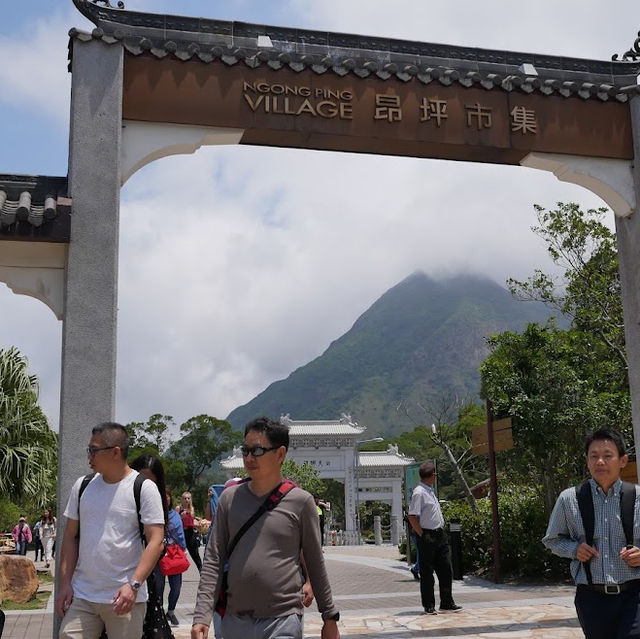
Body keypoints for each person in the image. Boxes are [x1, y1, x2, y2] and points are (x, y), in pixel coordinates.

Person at [191, 416, 340, 639]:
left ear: (280, 454)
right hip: (235, 620)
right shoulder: (229, 499)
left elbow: (315, 562)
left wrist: (329, 616)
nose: (249, 458)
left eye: (257, 451)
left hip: (283, 618)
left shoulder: (301, 502)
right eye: (245, 450)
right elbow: (214, 559)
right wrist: (202, 616)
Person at [55, 422, 165, 639]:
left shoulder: (143, 487)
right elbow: (69, 537)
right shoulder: (83, 485)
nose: (89, 455)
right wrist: (65, 583)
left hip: (124, 597)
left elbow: (156, 541)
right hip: (83, 594)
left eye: (94, 450)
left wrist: (133, 585)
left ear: (115, 452)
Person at [543, 428, 640, 639]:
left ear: (623, 460)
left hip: (635, 595)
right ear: (587, 461)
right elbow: (552, 540)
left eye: (607, 456)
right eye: (594, 456)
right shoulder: (569, 499)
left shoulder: (638, 497)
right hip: (591, 598)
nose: (600, 462)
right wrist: (574, 549)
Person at [130, 453, 185, 627]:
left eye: (151, 484)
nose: (145, 489)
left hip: (147, 577)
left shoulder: (160, 508)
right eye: (140, 481)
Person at [408, 461, 462, 615]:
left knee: (445, 569)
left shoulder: (429, 491)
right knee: (427, 572)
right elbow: (412, 517)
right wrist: (423, 535)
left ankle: (446, 602)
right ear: (432, 475)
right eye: (435, 474)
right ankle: (429, 605)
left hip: (439, 534)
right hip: (427, 535)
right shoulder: (419, 492)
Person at [178, 491, 203, 573]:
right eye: (185, 498)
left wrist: (198, 523)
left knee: (195, 554)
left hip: (191, 532)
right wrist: (180, 517)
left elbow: (192, 522)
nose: (186, 500)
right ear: (182, 499)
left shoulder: (191, 509)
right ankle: (177, 573)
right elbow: (175, 521)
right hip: (182, 533)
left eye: (188, 498)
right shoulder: (179, 508)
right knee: (180, 555)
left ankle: (201, 571)